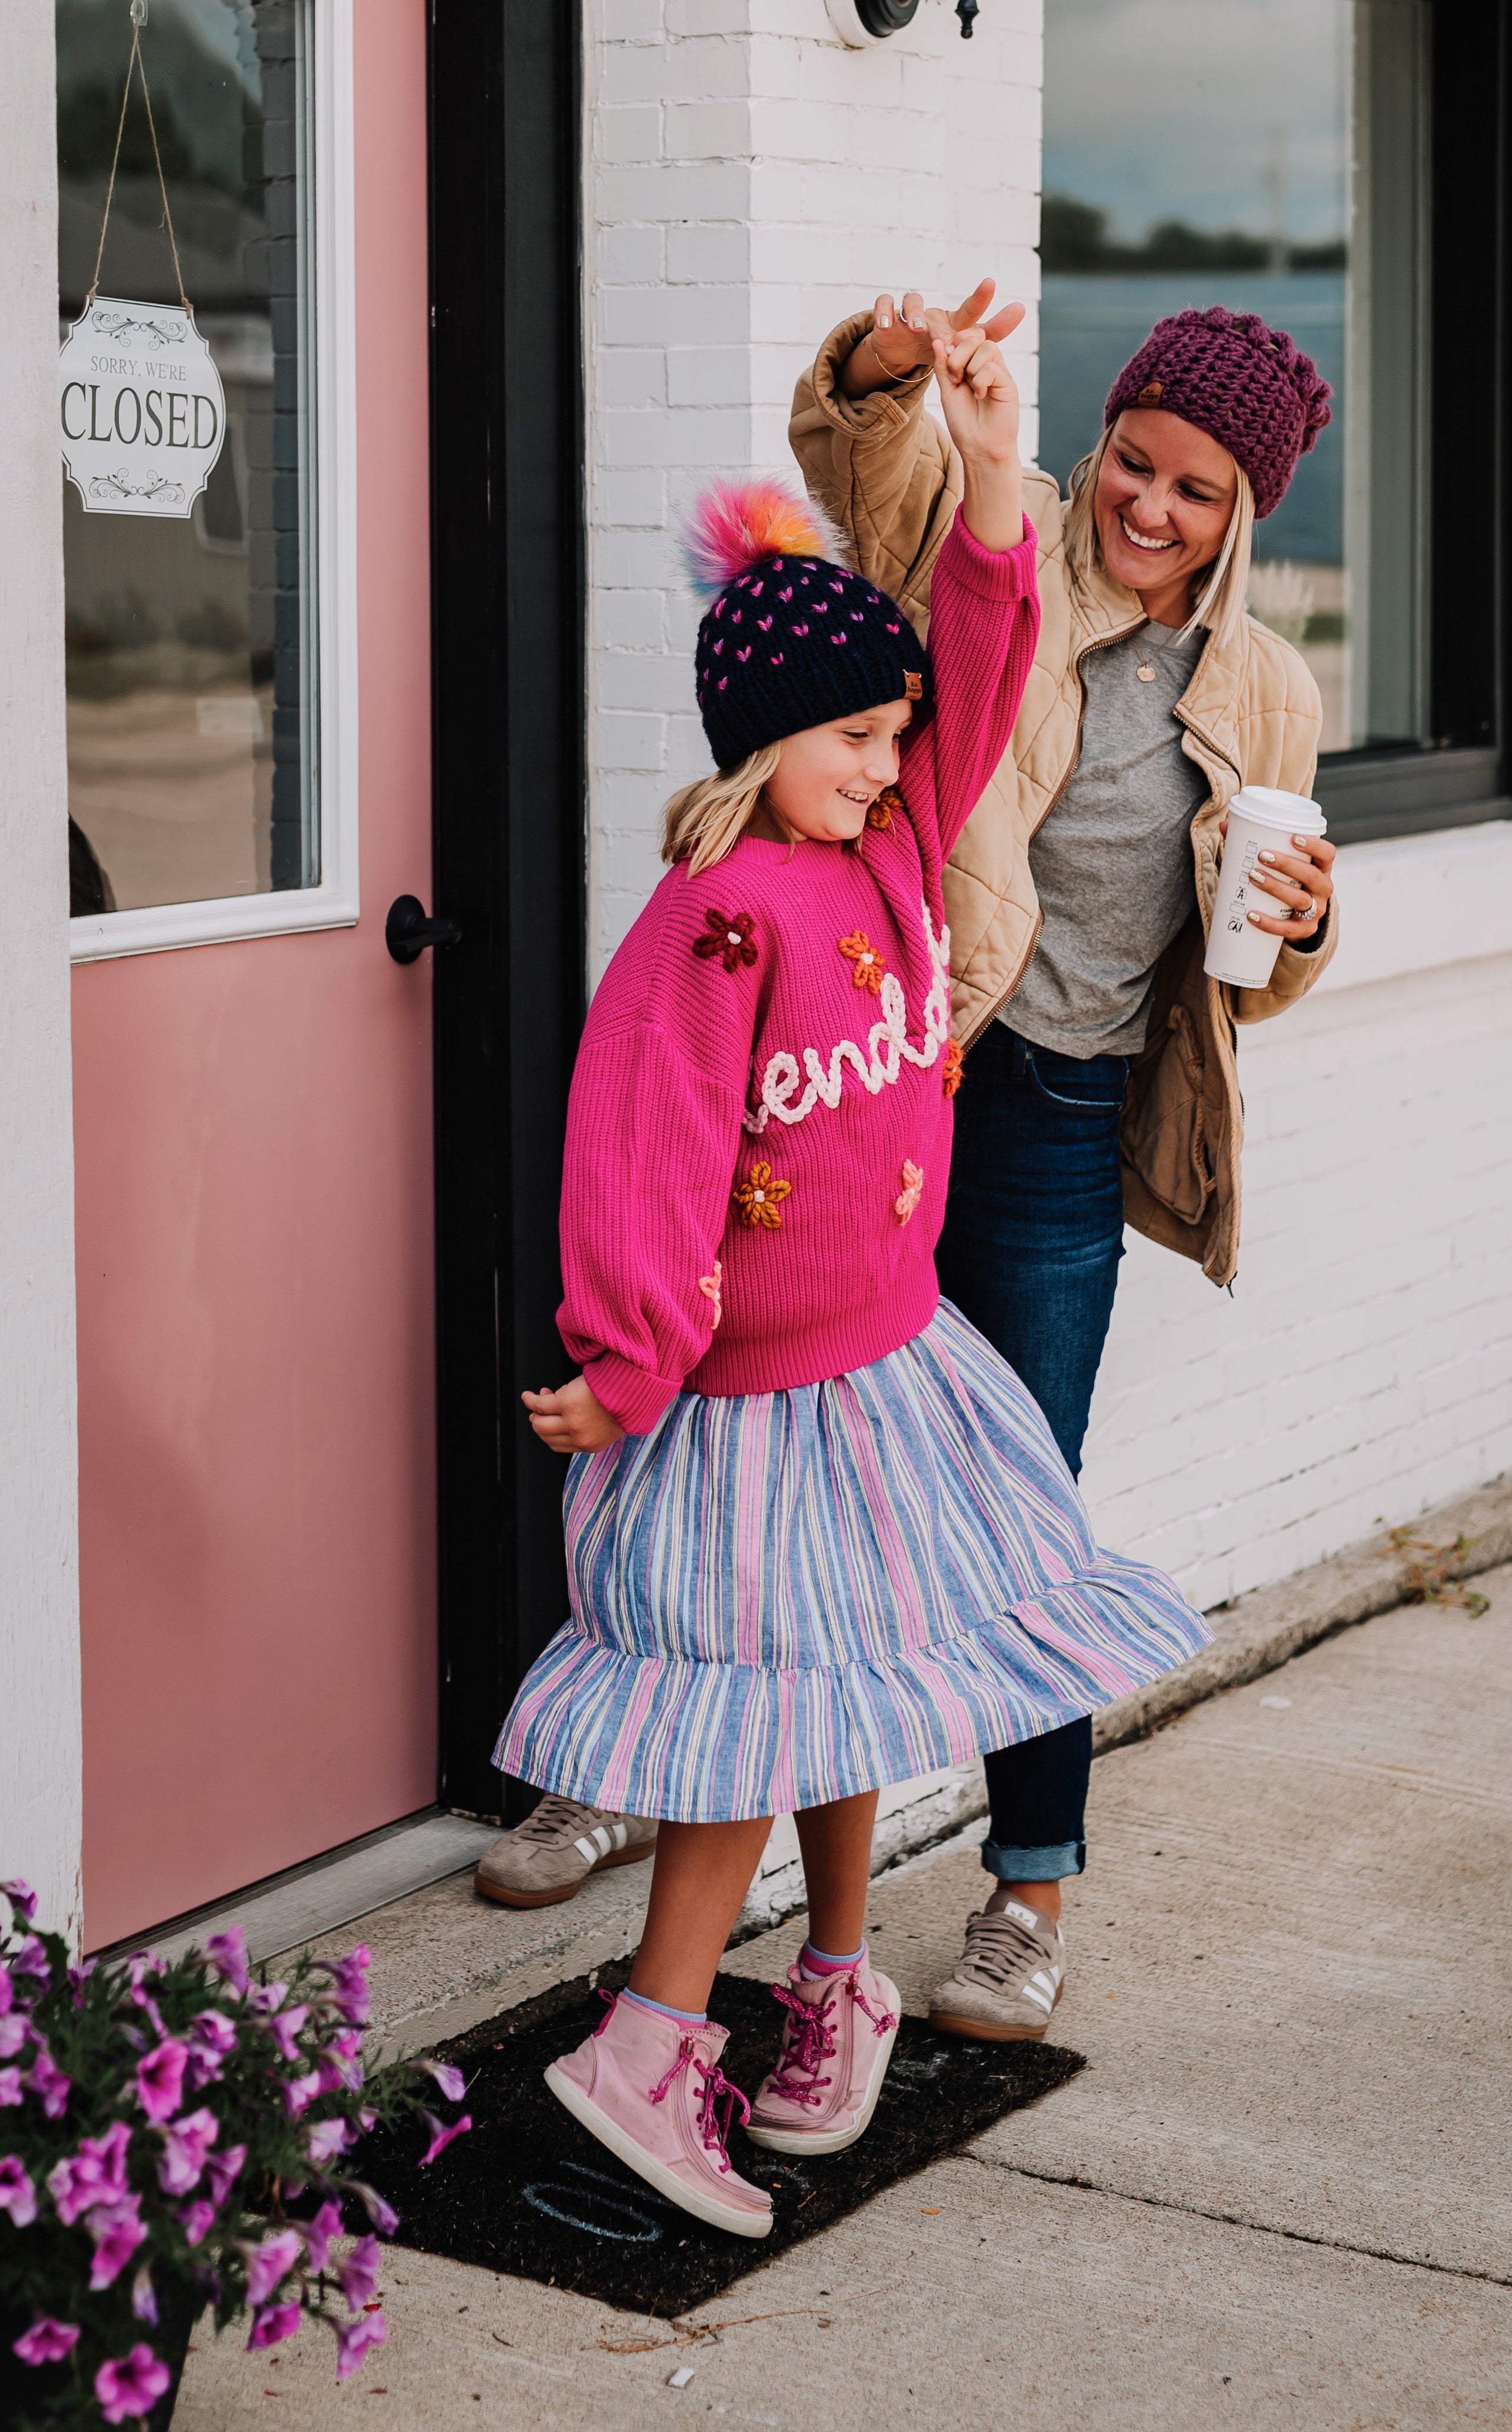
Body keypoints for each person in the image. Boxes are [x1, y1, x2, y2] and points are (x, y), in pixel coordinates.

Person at [487, 300, 1211, 2237]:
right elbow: (637, 1159)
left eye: (897, 739)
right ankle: (647, 2046)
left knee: (859, 1688)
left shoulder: (888, 853)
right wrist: (624, 1360)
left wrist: (991, 474)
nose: (895, 768)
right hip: (735, 1404)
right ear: (760, 738)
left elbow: (979, 659)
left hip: (885, 1369)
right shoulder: (721, 919)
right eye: (854, 740)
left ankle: (828, 1976)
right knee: (761, 1696)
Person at [778, 284, 1339, 2048]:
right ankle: (641, 1780)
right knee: (782, 1454)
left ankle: (1027, 1894)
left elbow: (1249, 957)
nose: (1146, 507)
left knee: (1018, 1510)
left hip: (1064, 1122)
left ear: (1246, 512)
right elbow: (863, 470)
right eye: (1131, 458)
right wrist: (882, 371)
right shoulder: (997, 551)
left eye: (1193, 489)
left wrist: (1308, 927)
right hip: (901, 1078)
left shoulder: (1262, 689)